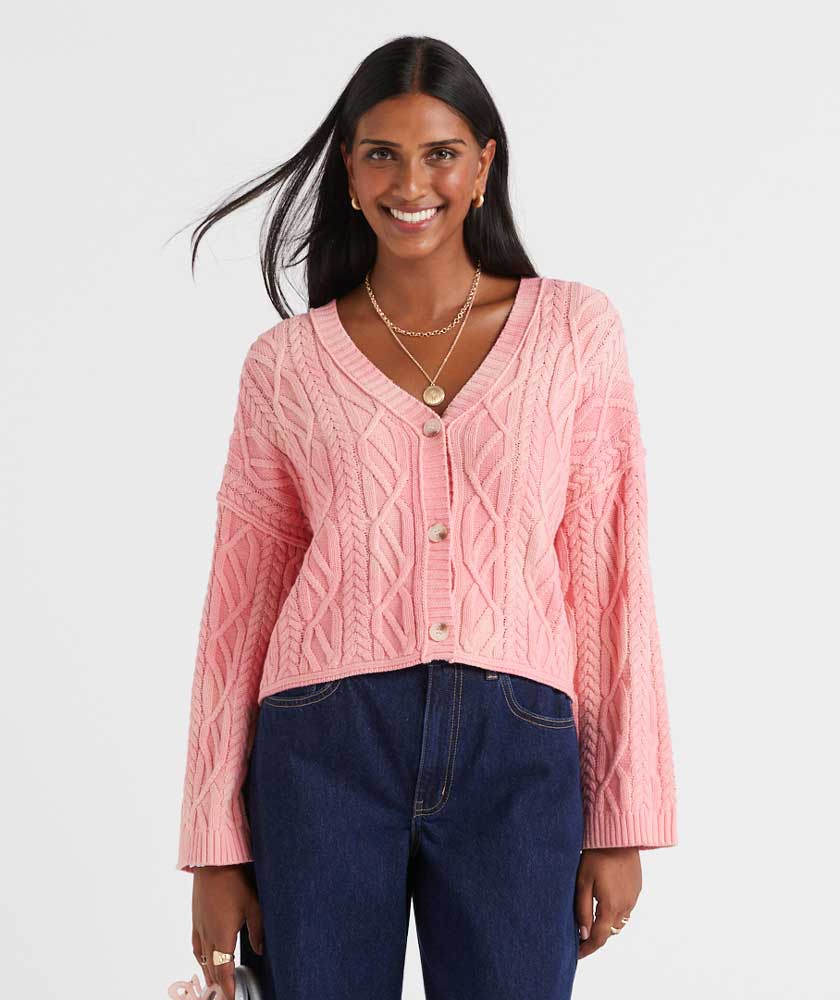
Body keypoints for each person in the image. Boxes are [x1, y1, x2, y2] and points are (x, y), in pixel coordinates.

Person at [174, 34, 678, 1000]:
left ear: (483, 164)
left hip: (519, 746)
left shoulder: (573, 332)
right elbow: (239, 605)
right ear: (349, 171)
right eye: (382, 154)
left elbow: (609, 569)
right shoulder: (287, 365)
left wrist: (622, 815)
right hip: (321, 748)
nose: (411, 183)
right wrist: (214, 845)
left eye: (440, 153)